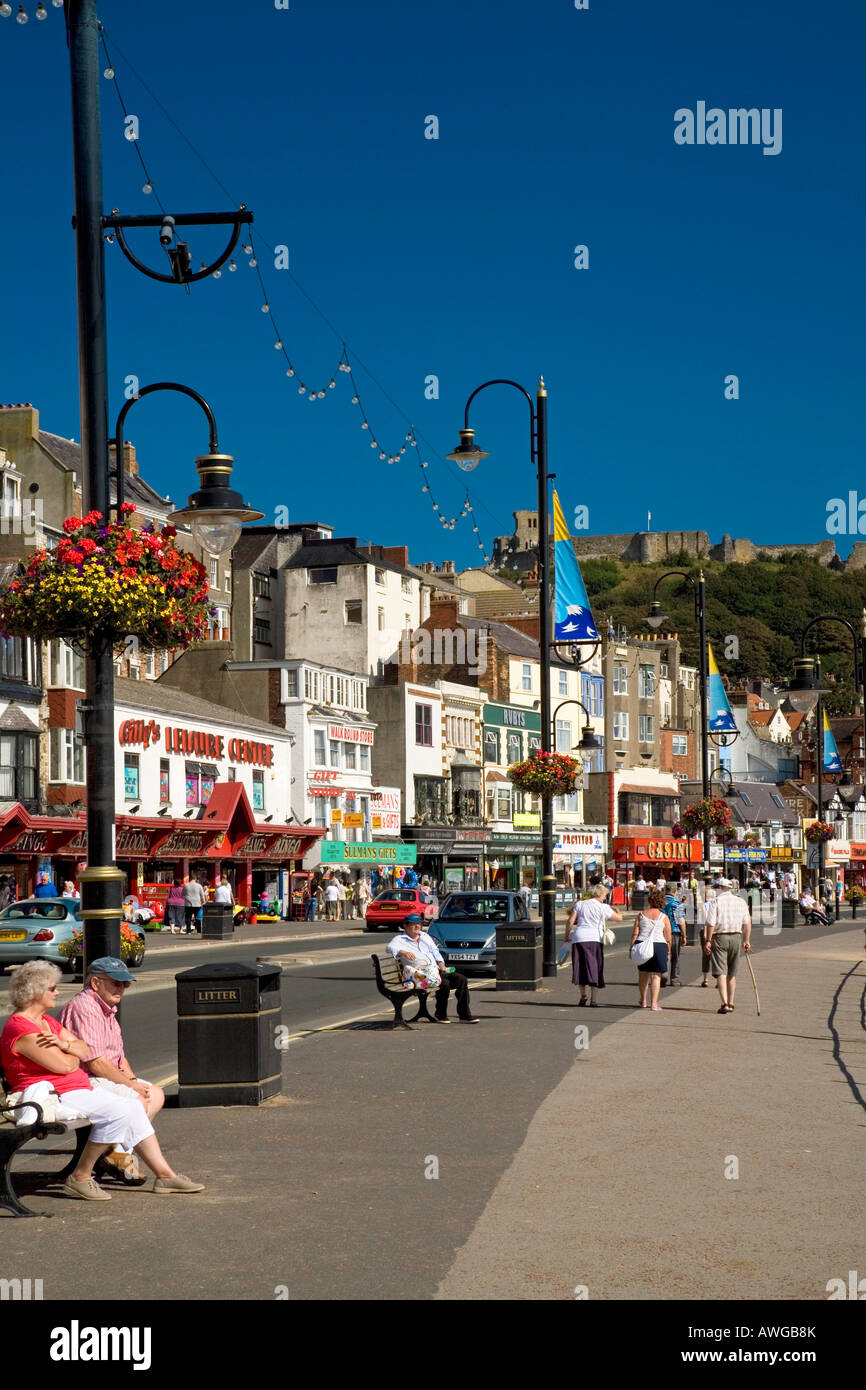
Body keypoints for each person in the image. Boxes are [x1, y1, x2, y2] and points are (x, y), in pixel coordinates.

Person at [1, 960, 204, 1200]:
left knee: (132, 1107)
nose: (57, 992)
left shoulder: (47, 1022)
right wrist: (72, 1052)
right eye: (52, 988)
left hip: (74, 1088)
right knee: (120, 1109)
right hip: (54, 1093)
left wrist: (66, 1046)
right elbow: (65, 1064)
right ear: (35, 992)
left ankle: (165, 1175)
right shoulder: (22, 1029)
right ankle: (81, 1177)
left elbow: (84, 1049)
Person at [58, 956, 164, 1186]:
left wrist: (133, 1079)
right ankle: (115, 1155)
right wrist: (130, 1086)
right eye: (116, 983)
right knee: (136, 1100)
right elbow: (96, 1063)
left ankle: (114, 1151)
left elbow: (118, 1056)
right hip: (86, 1079)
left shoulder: (107, 1008)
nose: (122, 989)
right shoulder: (85, 1008)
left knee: (154, 1093)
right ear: (96, 983)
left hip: (102, 1075)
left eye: (125, 984)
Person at [387, 914, 478, 1023]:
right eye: (413, 924)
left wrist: (442, 966)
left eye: (418, 924)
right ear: (405, 926)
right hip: (419, 975)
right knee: (444, 984)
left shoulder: (424, 936)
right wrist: (403, 952)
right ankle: (441, 1014)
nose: (417, 926)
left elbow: (435, 952)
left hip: (434, 971)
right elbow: (389, 948)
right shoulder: (399, 939)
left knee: (461, 979)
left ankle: (464, 1015)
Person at [566, 883, 622, 1007]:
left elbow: (570, 921)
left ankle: (582, 996)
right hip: (595, 939)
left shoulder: (580, 904)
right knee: (594, 967)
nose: (605, 897)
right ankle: (594, 1000)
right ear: (601, 894)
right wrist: (618, 910)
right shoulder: (604, 907)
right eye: (605, 895)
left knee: (580, 967)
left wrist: (566, 936)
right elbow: (619, 919)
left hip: (579, 938)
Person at [705, 877, 751, 1014]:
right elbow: (747, 923)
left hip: (720, 937)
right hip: (736, 936)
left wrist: (708, 940)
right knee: (732, 972)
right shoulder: (741, 902)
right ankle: (731, 1002)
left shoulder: (716, 902)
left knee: (721, 971)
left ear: (719, 888)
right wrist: (746, 940)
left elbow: (711, 923)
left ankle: (724, 1002)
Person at [629, 887, 672, 1011]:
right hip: (659, 946)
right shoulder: (664, 917)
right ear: (662, 902)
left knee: (643, 975)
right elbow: (668, 938)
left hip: (642, 944)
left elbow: (635, 933)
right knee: (656, 976)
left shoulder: (641, 915)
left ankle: (643, 1000)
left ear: (649, 900)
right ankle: (654, 1004)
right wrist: (668, 952)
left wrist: (631, 948)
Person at [665, 885, 687, 985]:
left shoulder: (658, 901)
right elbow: (681, 921)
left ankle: (661, 976)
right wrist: (684, 935)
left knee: (662, 955)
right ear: (674, 891)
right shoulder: (677, 903)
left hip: (660, 932)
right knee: (675, 956)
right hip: (674, 932)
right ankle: (674, 979)